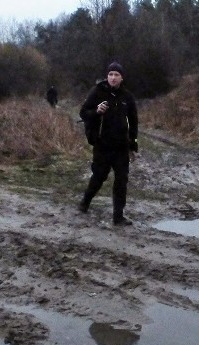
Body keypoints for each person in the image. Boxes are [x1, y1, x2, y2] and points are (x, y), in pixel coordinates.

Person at [78, 62, 139, 226]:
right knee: (99, 176)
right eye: (110, 74)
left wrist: (134, 146)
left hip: (121, 147)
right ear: (107, 76)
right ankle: (85, 202)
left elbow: (134, 123)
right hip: (102, 145)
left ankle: (118, 216)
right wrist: (96, 111)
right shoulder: (97, 92)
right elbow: (83, 113)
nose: (113, 77)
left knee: (121, 180)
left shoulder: (127, 97)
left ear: (122, 77)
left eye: (116, 75)